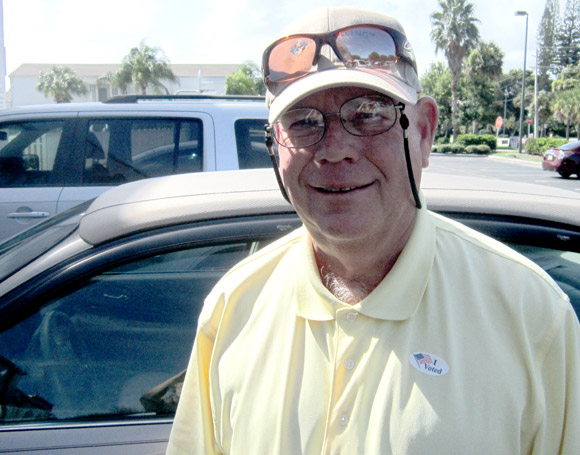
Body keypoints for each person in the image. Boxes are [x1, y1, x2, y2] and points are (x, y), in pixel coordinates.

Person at [167, 7, 580, 454]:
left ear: (423, 131)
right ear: (273, 146)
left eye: (367, 114)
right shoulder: (234, 308)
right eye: (303, 122)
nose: (334, 149)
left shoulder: (530, 315)